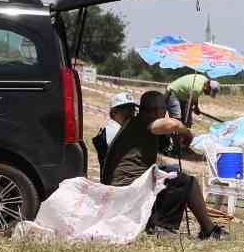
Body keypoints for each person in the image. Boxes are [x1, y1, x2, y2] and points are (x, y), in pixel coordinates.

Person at [101, 90, 226, 239]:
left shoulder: (134, 124)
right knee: (182, 181)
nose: (165, 113)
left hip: (125, 186)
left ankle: (208, 228)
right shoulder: (143, 122)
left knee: (179, 176)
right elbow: (172, 123)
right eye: (164, 110)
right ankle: (162, 227)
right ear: (155, 111)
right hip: (127, 189)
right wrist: (186, 133)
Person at [92, 92, 138, 182]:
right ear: (114, 112)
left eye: (132, 109)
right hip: (118, 184)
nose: (131, 113)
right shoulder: (114, 132)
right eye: (126, 109)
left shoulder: (118, 130)